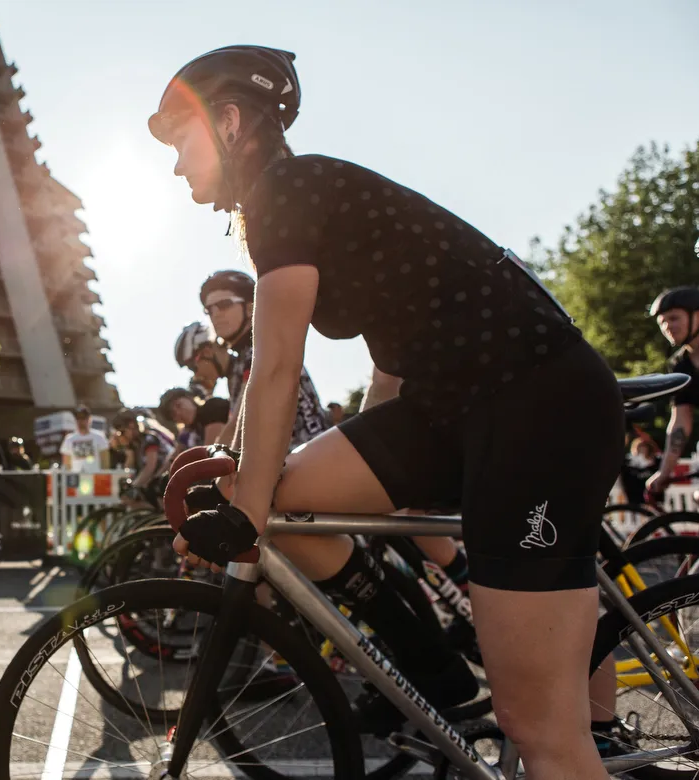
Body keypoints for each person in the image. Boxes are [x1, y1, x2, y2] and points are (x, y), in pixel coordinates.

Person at [149, 45, 625, 777]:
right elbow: (387, 363)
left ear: (230, 122)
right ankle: (429, 664)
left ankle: (522, 700)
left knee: (538, 729)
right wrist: (249, 477)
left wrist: (240, 506)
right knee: (286, 493)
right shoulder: (293, 199)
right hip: (455, 407)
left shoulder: (287, 189)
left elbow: (277, 368)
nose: (177, 164)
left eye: (180, 140)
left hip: (534, 402)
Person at [199, 270, 329, 450]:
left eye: (224, 304)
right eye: (209, 310)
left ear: (251, 307)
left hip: (306, 459)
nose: (215, 315)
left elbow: (241, 424)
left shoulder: (260, 350)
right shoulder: (244, 357)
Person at [645, 284, 699, 497]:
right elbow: (680, 421)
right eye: (662, 322)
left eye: (674, 318)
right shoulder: (680, 365)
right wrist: (664, 472)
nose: (667, 326)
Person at [111, 408, 175, 507]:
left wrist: (135, 486)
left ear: (132, 425)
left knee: (153, 499)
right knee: (129, 499)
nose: (121, 436)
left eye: (122, 432)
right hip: (155, 480)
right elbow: (129, 467)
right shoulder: (136, 444)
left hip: (166, 478)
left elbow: (150, 467)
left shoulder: (149, 439)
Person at [158, 386, 229, 452]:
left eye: (179, 405)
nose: (179, 413)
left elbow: (210, 450)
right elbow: (174, 457)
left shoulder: (212, 407)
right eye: (174, 415)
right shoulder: (187, 434)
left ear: (190, 398)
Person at [174, 321, 229, 399]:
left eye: (193, 367)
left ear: (207, 352)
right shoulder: (236, 375)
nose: (196, 375)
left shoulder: (245, 366)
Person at [59, 406, 110, 472]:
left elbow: (105, 461)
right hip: (76, 478)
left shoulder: (99, 437)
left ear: (89, 419)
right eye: (78, 418)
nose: (80, 421)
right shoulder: (69, 439)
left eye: (83, 418)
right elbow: (66, 463)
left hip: (96, 478)